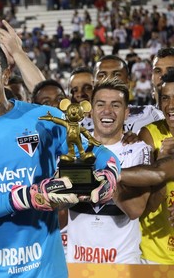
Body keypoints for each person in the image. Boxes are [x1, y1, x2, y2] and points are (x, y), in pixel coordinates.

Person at [0, 38, 120, 277]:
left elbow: (103, 155)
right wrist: (26, 197)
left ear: (6, 74)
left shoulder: (44, 117)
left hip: (45, 271)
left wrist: (110, 176)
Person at [65, 78, 153, 263]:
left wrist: (107, 179)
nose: (107, 111)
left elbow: (135, 209)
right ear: (90, 112)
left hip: (122, 265)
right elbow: (58, 215)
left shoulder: (139, 149)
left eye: (115, 105)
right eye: (101, 104)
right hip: (78, 264)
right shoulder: (71, 150)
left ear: (126, 112)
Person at [133, 70, 174, 264]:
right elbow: (144, 204)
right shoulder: (150, 134)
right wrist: (163, 162)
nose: (171, 105)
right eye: (165, 98)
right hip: (153, 253)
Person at [94, 55, 164, 133]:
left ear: (128, 83)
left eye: (117, 75)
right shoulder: (80, 124)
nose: (109, 79)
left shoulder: (151, 116)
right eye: (102, 75)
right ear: (93, 84)